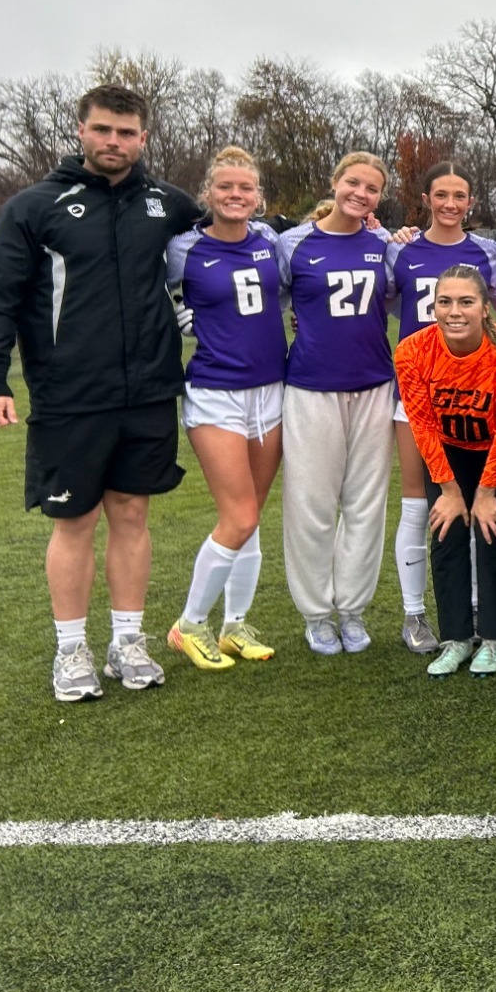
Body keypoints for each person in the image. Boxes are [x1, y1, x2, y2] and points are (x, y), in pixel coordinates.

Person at [0, 82, 202, 700]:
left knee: (132, 513)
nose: (114, 142)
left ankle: (128, 643)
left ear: (143, 138)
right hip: (70, 394)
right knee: (74, 520)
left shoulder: (165, 204)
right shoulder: (35, 207)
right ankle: (71, 651)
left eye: (126, 133)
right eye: (103, 130)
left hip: (149, 389)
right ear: (81, 131)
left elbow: (228, 229)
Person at [164, 147, 286, 670]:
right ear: (208, 193)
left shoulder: (273, 244)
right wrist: (176, 313)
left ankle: (235, 625)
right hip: (215, 391)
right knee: (236, 516)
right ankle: (188, 625)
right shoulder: (181, 249)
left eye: (246, 188)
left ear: (258, 197)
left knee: (251, 517)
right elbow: (148, 292)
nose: (236, 196)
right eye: (226, 187)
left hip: (271, 390)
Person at [275, 154, 399, 654]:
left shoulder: (384, 246)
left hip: (373, 385)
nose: (361, 193)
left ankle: (352, 608)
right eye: (353, 182)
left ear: (379, 197)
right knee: (311, 503)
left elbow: (396, 301)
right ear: (334, 182)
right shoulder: (292, 244)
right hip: (310, 387)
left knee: (366, 505)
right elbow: (273, 302)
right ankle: (315, 613)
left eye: (371, 188)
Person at [394, 266, 496, 676]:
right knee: (446, 532)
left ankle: (494, 639)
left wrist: (487, 493)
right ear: (433, 306)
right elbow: (422, 424)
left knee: (493, 533)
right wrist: (451, 491)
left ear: (485, 309)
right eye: (445, 302)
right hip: (448, 453)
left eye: (466, 302)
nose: (454, 312)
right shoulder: (412, 350)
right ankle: (455, 639)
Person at [389, 161, 496, 654]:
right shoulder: (399, 249)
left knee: (483, 504)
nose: (451, 203)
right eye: (442, 194)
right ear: (427, 198)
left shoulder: (489, 253)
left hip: (481, 392)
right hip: (420, 390)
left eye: (460, 195)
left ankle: (478, 607)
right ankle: (415, 614)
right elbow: (388, 304)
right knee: (422, 503)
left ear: (471, 201)